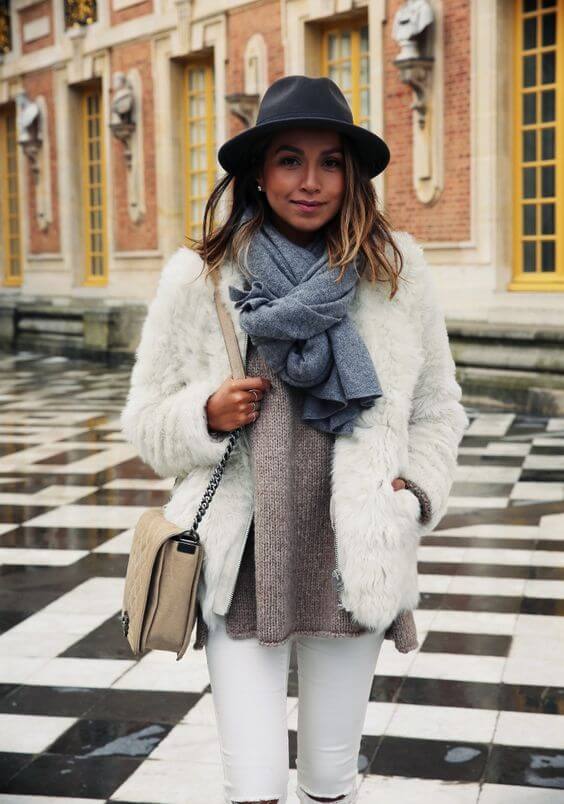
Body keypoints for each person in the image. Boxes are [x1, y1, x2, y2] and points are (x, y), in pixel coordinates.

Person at [120, 75, 469, 804]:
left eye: (330, 161)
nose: (311, 182)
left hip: (352, 553)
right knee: (252, 784)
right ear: (257, 171)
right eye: (289, 159)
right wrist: (204, 415)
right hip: (242, 559)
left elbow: (439, 407)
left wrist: (418, 491)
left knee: (331, 779)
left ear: (352, 173)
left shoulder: (393, 272)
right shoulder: (204, 277)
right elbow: (146, 419)